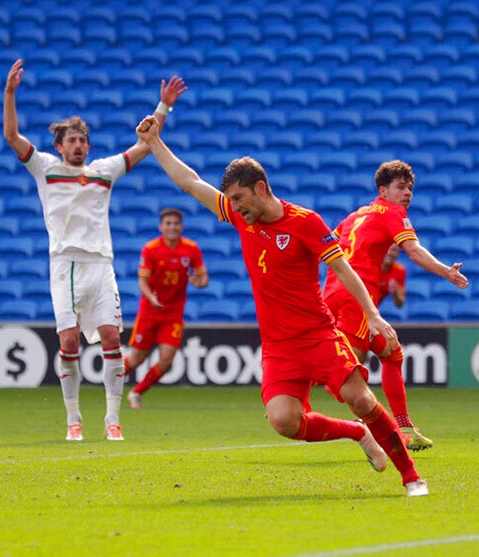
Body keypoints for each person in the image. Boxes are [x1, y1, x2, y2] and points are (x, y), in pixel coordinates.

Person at [134, 116, 429, 497]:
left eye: (239, 198)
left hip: (318, 334)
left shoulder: (306, 222)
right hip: (278, 346)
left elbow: (343, 268)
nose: (234, 207)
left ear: (260, 188)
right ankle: (357, 433)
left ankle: (411, 476)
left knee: (360, 397)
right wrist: (155, 143)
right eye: (232, 201)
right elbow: (190, 182)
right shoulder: (243, 220)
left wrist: (373, 315)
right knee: (284, 421)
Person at [2, 59, 186, 442]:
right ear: (59, 146)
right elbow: (12, 136)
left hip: (101, 265)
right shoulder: (45, 168)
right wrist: (9, 93)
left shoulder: (103, 170)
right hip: (65, 265)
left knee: (110, 338)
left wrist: (163, 107)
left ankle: (112, 419)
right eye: (71, 140)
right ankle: (73, 419)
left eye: (83, 140)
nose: (78, 145)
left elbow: (145, 145)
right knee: (68, 341)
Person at [323, 160, 469, 451]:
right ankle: (370, 428)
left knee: (391, 351)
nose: (407, 193)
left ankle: (403, 427)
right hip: (357, 296)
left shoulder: (355, 215)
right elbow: (413, 251)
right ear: (383, 190)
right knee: (346, 370)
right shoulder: (392, 212)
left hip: (332, 293)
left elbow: (326, 246)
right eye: (400, 187)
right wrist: (447, 272)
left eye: (410, 188)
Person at [124, 208, 209, 409]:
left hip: (173, 313)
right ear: (161, 226)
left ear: (181, 226)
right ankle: (110, 383)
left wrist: (199, 283)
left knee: (167, 360)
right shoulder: (151, 249)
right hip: (149, 311)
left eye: (175, 223)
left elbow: (202, 278)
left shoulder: (191, 249)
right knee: (136, 359)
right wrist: (151, 296)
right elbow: (142, 282)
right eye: (168, 223)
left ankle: (136, 392)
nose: (172, 227)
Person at [378, 244, 406, 309]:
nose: (389, 253)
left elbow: (400, 304)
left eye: (393, 250)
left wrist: (395, 292)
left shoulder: (399, 270)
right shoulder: (370, 266)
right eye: (387, 249)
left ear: (398, 253)